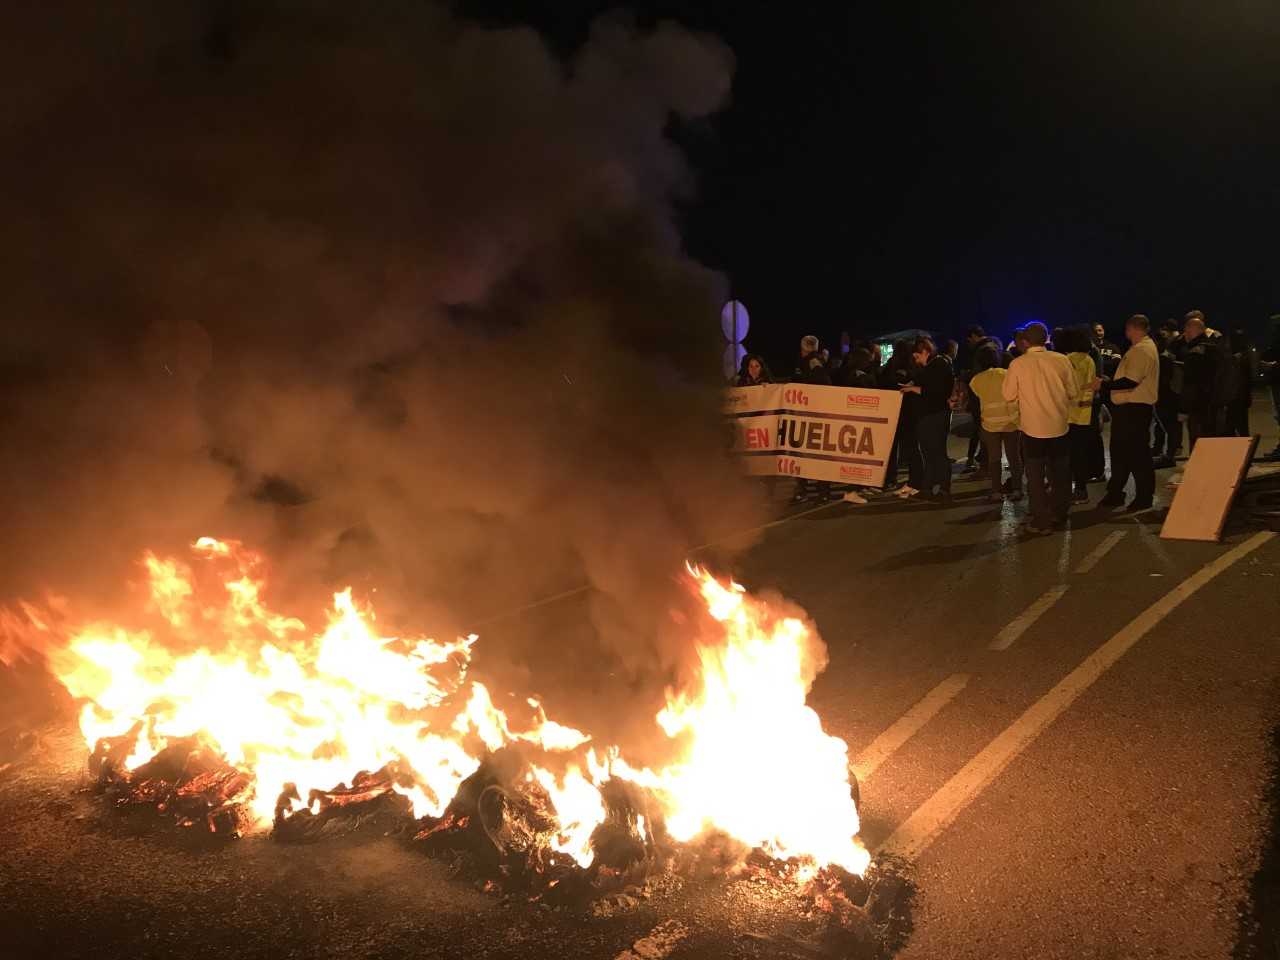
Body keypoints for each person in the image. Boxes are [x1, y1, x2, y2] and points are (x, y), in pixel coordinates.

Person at [1002, 322, 1075, 535]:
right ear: (1047, 339)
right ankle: (1059, 514)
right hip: (1059, 426)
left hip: (1032, 429)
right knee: (1060, 473)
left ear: (1025, 341)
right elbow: (1073, 391)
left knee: (1035, 476)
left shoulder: (1018, 364)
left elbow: (1008, 395)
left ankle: (1041, 520)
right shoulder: (1062, 360)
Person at [1098, 315, 1159, 512]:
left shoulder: (1142, 350)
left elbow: (1131, 381)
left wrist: (1104, 384)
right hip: (1128, 409)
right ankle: (1116, 492)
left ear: (1131, 328)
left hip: (1134, 409)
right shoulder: (1141, 348)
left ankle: (1143, 497)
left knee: (1137, 455)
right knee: (1121, 453)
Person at [900, 336, 956, 503]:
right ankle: (927, 487)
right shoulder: (934, 365)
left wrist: (913, 388)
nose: (916, 361)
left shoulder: (938, 365)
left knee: (937, 452)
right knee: (928, 453)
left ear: (925, 351)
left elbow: (936, 392)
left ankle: (944, 490)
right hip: (928, 416)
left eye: (917, 356)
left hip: (935, 415)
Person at [969, 345, 1023, 502]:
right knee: (1014, 457)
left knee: (994, 458)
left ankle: (996, 491)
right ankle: (1017, 489)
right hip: (1010, 422)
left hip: (990, 424)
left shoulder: (976, 380)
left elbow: (978, 398)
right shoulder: (1007, 374)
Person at [1058, 325, 1098, 503]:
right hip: (1084, 413)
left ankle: (1066, 489)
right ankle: (1081, 489)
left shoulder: (1066, 360)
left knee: (1066, 455)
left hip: (1067, 414)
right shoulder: (1089, 360)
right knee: (1080, 453)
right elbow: (1091, 387)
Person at [1180, 310, 1222, 448]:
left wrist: (1183, 409)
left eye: (1186, 330)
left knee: (1197, 442)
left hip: (1197, 406)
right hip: (1215, 403)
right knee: (1212, 440)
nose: (1184, 334)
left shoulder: (1194, 353)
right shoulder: (1214, 347)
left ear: (1192, 331)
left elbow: (1190, 384)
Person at [1149, 327, 1181, 467]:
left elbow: (1163, 380)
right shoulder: (1167, 356)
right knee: (1164, 426)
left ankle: (1170, 455)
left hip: (1166, 396)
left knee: (1170, 426)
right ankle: (1163, 451)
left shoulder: (1163, 358)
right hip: (1168, 396)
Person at [1225, 327, 1254, 438]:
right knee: (1241, 427)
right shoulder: (1244, 355)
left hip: (1234, 396)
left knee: (1231, 427)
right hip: (1239, 396)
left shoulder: (1234, 357)